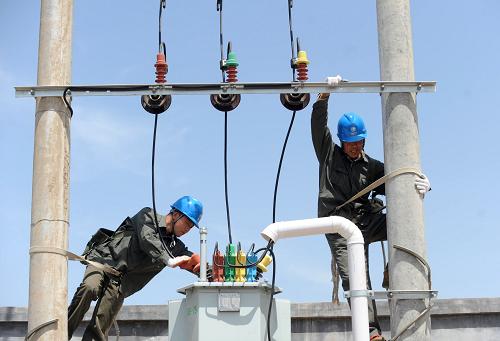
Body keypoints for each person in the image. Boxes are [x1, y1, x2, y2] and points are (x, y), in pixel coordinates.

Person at [311, 87, 431, 340]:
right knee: (356, 279)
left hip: (364, 222)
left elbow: (398, 182)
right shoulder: (329, 156)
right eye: (349, 143)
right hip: (338, 227)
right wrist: (323, 97)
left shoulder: (371, 167)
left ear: (364, 140)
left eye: (358, 142)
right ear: (342, 143)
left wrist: (421, 184)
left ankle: (400, 277)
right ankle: (371, 332)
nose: (354, 147)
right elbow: (318, 126)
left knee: (401, 225)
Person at [68, 195, 204, 340]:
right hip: (104, 261)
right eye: (188, 223)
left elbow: (193, 263)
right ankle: (60, 334)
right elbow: (148, 239)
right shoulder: (147, 216)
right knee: (90, 287)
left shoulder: (176, 247)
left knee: (99, 328)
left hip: (120, 282)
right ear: (176, 214)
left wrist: (214, 271)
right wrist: (168, 260)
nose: (188, 229)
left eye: (191, 227)